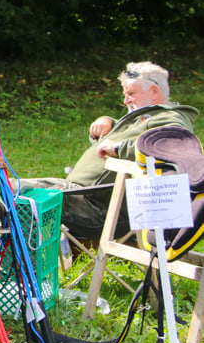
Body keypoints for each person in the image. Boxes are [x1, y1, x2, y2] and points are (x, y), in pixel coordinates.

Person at [19, 62, 198, 238]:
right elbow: (133, 135)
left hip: (98, 206)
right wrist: (109, 123)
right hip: (81, 195)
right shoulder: (148, 116)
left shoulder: (172, 117)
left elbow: (174, 142)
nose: (125, 100)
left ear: (154, 91)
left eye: (131, 94)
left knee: (12, 191)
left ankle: (24, 266)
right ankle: (24, 265)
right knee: (5, 190)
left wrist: (119, 148)